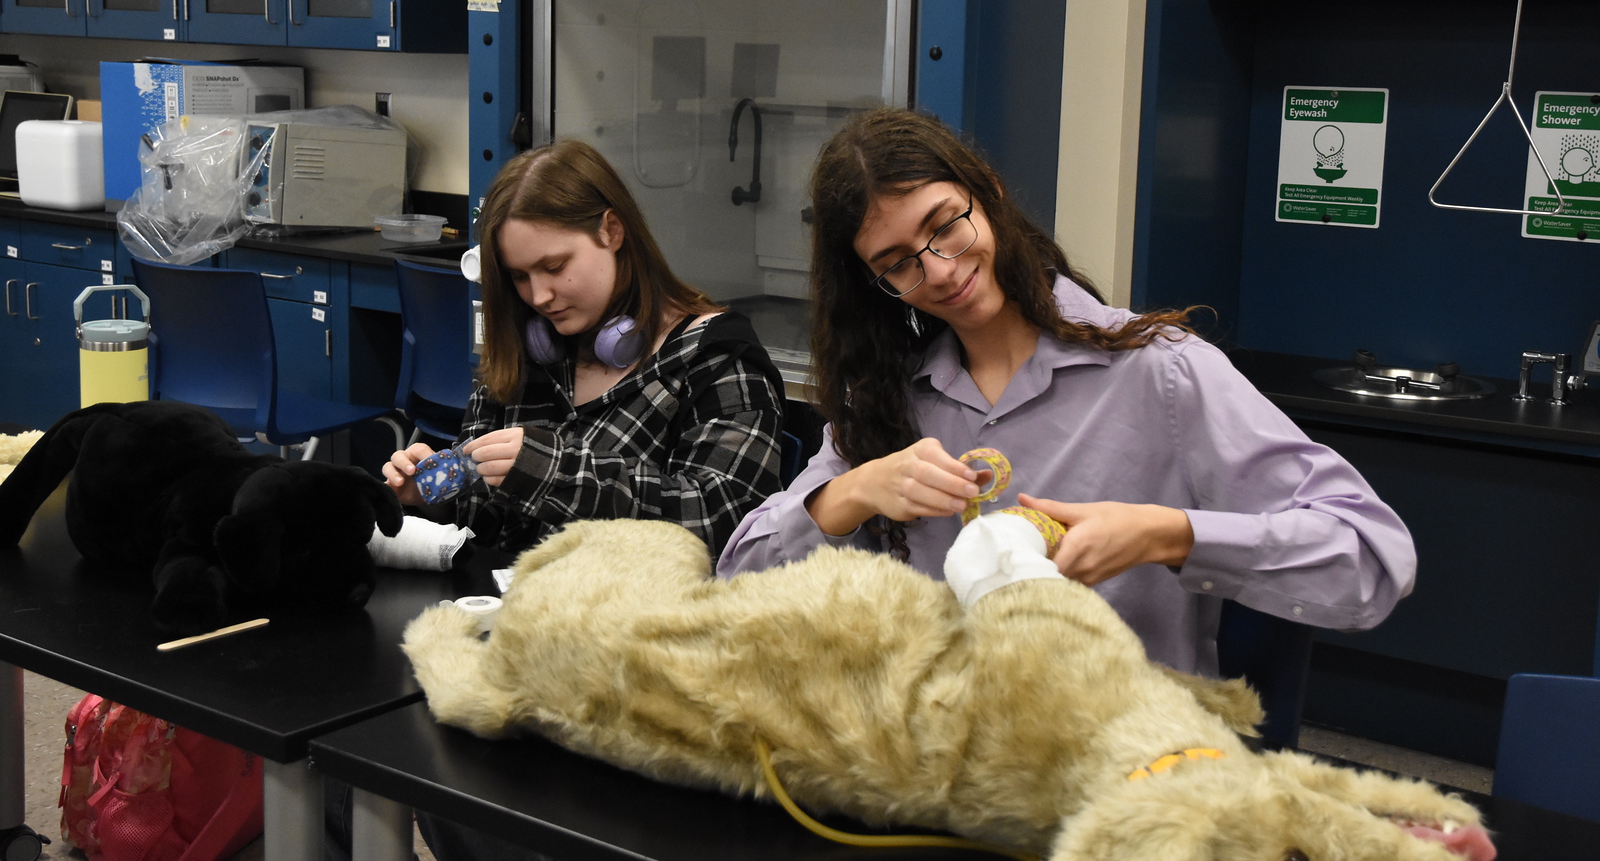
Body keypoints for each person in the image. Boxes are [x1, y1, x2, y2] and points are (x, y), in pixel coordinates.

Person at [718, 107, 1416, 676]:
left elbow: (1370, 560)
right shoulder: (887, 404)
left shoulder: (1162, 372)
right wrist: (852, 492)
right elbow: (738, 581)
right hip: (946, 754)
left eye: (946, 225)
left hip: (1123, 750)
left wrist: (1167, 536)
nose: (941, 270)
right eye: (898, 264)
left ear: (988, 192)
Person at [384, 137, 787, 559]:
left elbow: (726, 525)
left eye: (554, 266)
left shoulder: (717, 363)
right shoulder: (529, 347)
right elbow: (484, 521)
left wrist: (555, 472)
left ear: (611, 231)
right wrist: (438, 496)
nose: (539, 296)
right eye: (520, 276)